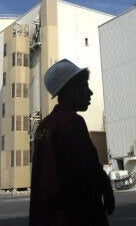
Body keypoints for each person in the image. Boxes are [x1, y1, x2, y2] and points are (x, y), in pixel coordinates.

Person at [29, 59, 115, 226]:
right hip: (76, 215)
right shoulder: (72, 122)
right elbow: (87, 168)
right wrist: (106, 189)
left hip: (48, 216)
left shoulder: (44, 126)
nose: (90, 93)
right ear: (70, 89)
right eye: (85, 86)